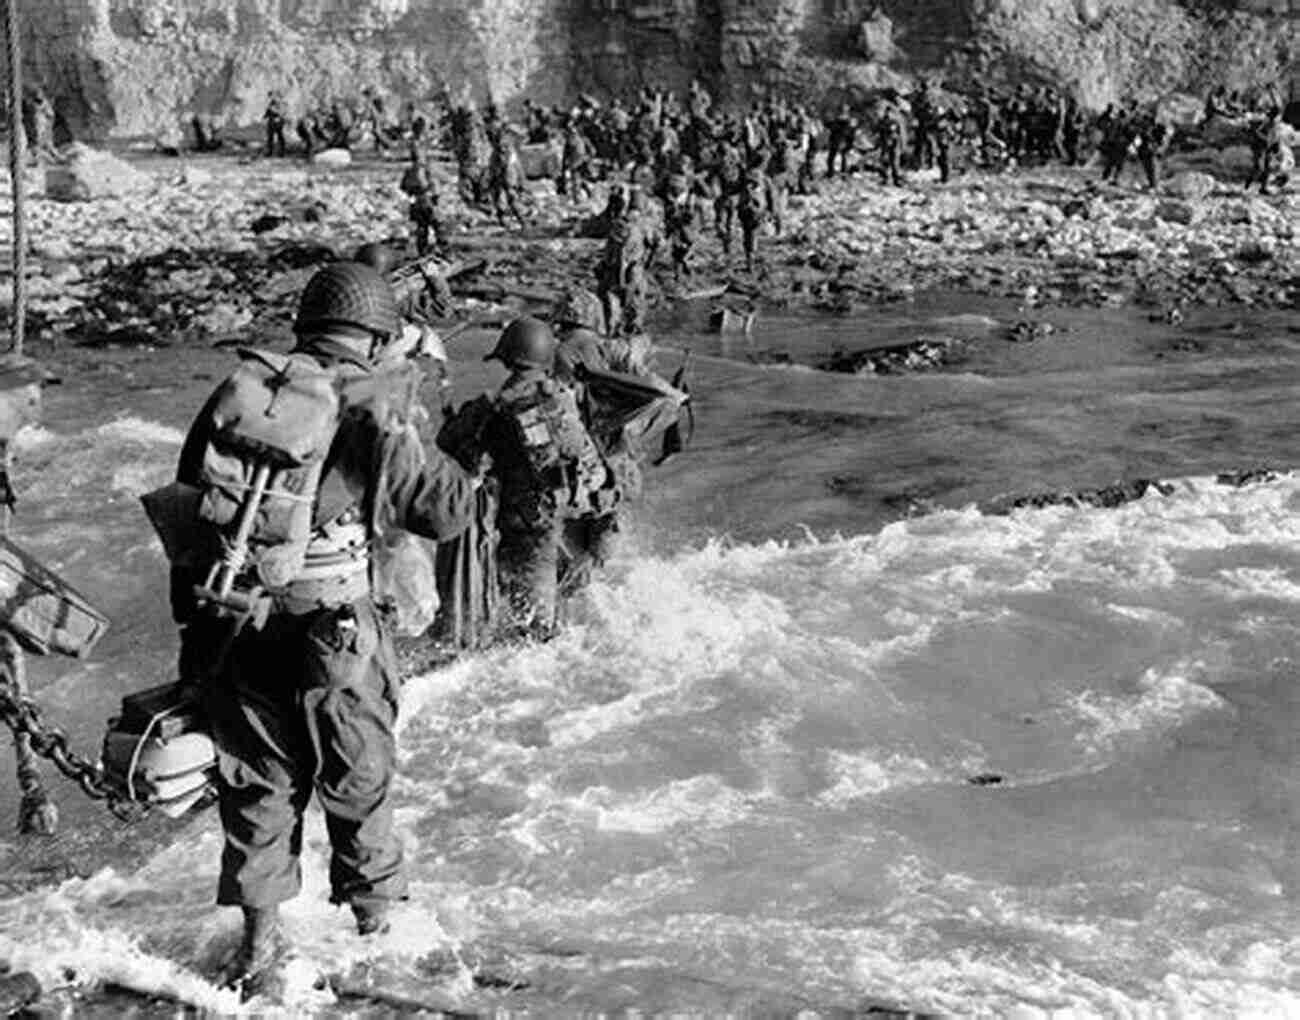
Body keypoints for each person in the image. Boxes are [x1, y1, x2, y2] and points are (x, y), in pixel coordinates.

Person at [168, 262, 477, 995]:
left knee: (258, 785)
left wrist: (197, 640)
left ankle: (259, 949)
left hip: (237, 621)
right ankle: (382, 942)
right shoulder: (374, 400)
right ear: (375, 335)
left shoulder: (246, 391)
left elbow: (185, 508)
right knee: (358, 778)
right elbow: (444, 512)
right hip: (336, 626)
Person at [437, 317, 613, 640]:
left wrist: (456, 410)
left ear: (507, 358)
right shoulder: (563, 398)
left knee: (531, 630)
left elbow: (452, 446)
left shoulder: (496, 407)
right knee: (554, 611)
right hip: (571, 520)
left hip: (524, 528)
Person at [264, 92, 287, 158]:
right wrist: (265, 116)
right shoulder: (271, 103)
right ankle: (270, 151)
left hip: (278, 123)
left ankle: (282, 152)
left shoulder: (281, 103)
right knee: (270, 137)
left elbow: (283, 112)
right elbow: (268, 112)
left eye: (273, 96)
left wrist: (279, 116)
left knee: (280, 136)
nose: (272, 98)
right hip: (271, 123)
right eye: (270, 97)